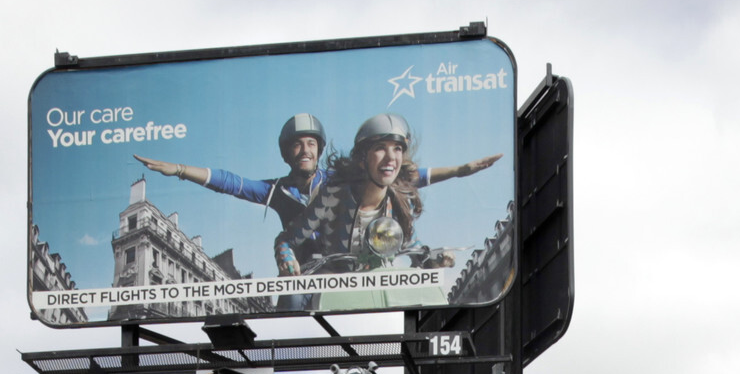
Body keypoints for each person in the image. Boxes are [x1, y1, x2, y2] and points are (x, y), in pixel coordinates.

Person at [279, 112, 503, 275]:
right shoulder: (332, 196)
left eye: (397, 149)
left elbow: (414, 250)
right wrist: (288, 259)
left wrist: (434, 259)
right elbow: (287, 240)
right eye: (379, 148)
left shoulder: (398, 202)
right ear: (362, 157)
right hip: (333, 294)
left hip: (381, 300)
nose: (390, 158)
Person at [136, 114, 332, 274]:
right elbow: (230, 182)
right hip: (302, 273)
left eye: (311, 144)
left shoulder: (338, 181)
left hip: (345, 269)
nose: (305, 150)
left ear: (319, 150)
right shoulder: (276, 190)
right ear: (286, 154)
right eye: (298, 144)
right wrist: (180, 169)